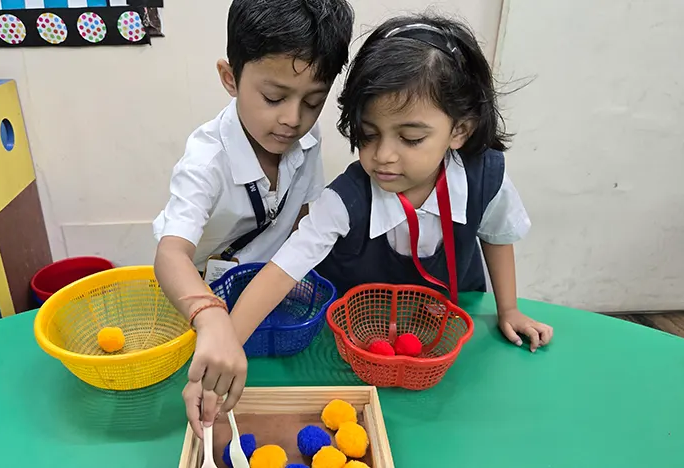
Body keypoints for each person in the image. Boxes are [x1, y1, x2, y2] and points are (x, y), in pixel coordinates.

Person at [206, 12, 556, 416]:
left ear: (459, 130)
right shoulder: (347, 199)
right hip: (351, 346)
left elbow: (497, 234)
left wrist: (508, 309)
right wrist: (227, 343)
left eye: (410, 138)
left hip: (438, 334)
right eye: (368, 135)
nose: (383, 156)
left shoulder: (483, 176)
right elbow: (285, 267)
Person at [152, 0, 354, 438]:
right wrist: (209, 318)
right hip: (200, 297)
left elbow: (303, 220)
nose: (292, 119)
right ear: (230, 78)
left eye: (313, 102)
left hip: (269, 300)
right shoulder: (206, 161)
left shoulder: (308, 138)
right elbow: (170, 255)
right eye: (274, 97)